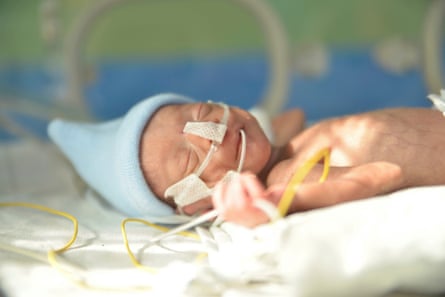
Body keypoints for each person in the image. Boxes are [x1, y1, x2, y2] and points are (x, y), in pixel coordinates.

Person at [47, 92, 445, 227]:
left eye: (202, 114)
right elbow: (380, 175)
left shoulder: (284, 149)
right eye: (188, 163)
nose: (212, 139)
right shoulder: (288, 175)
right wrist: (277, 205)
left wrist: (267, 129)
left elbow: (290, 119)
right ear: (195, 209)